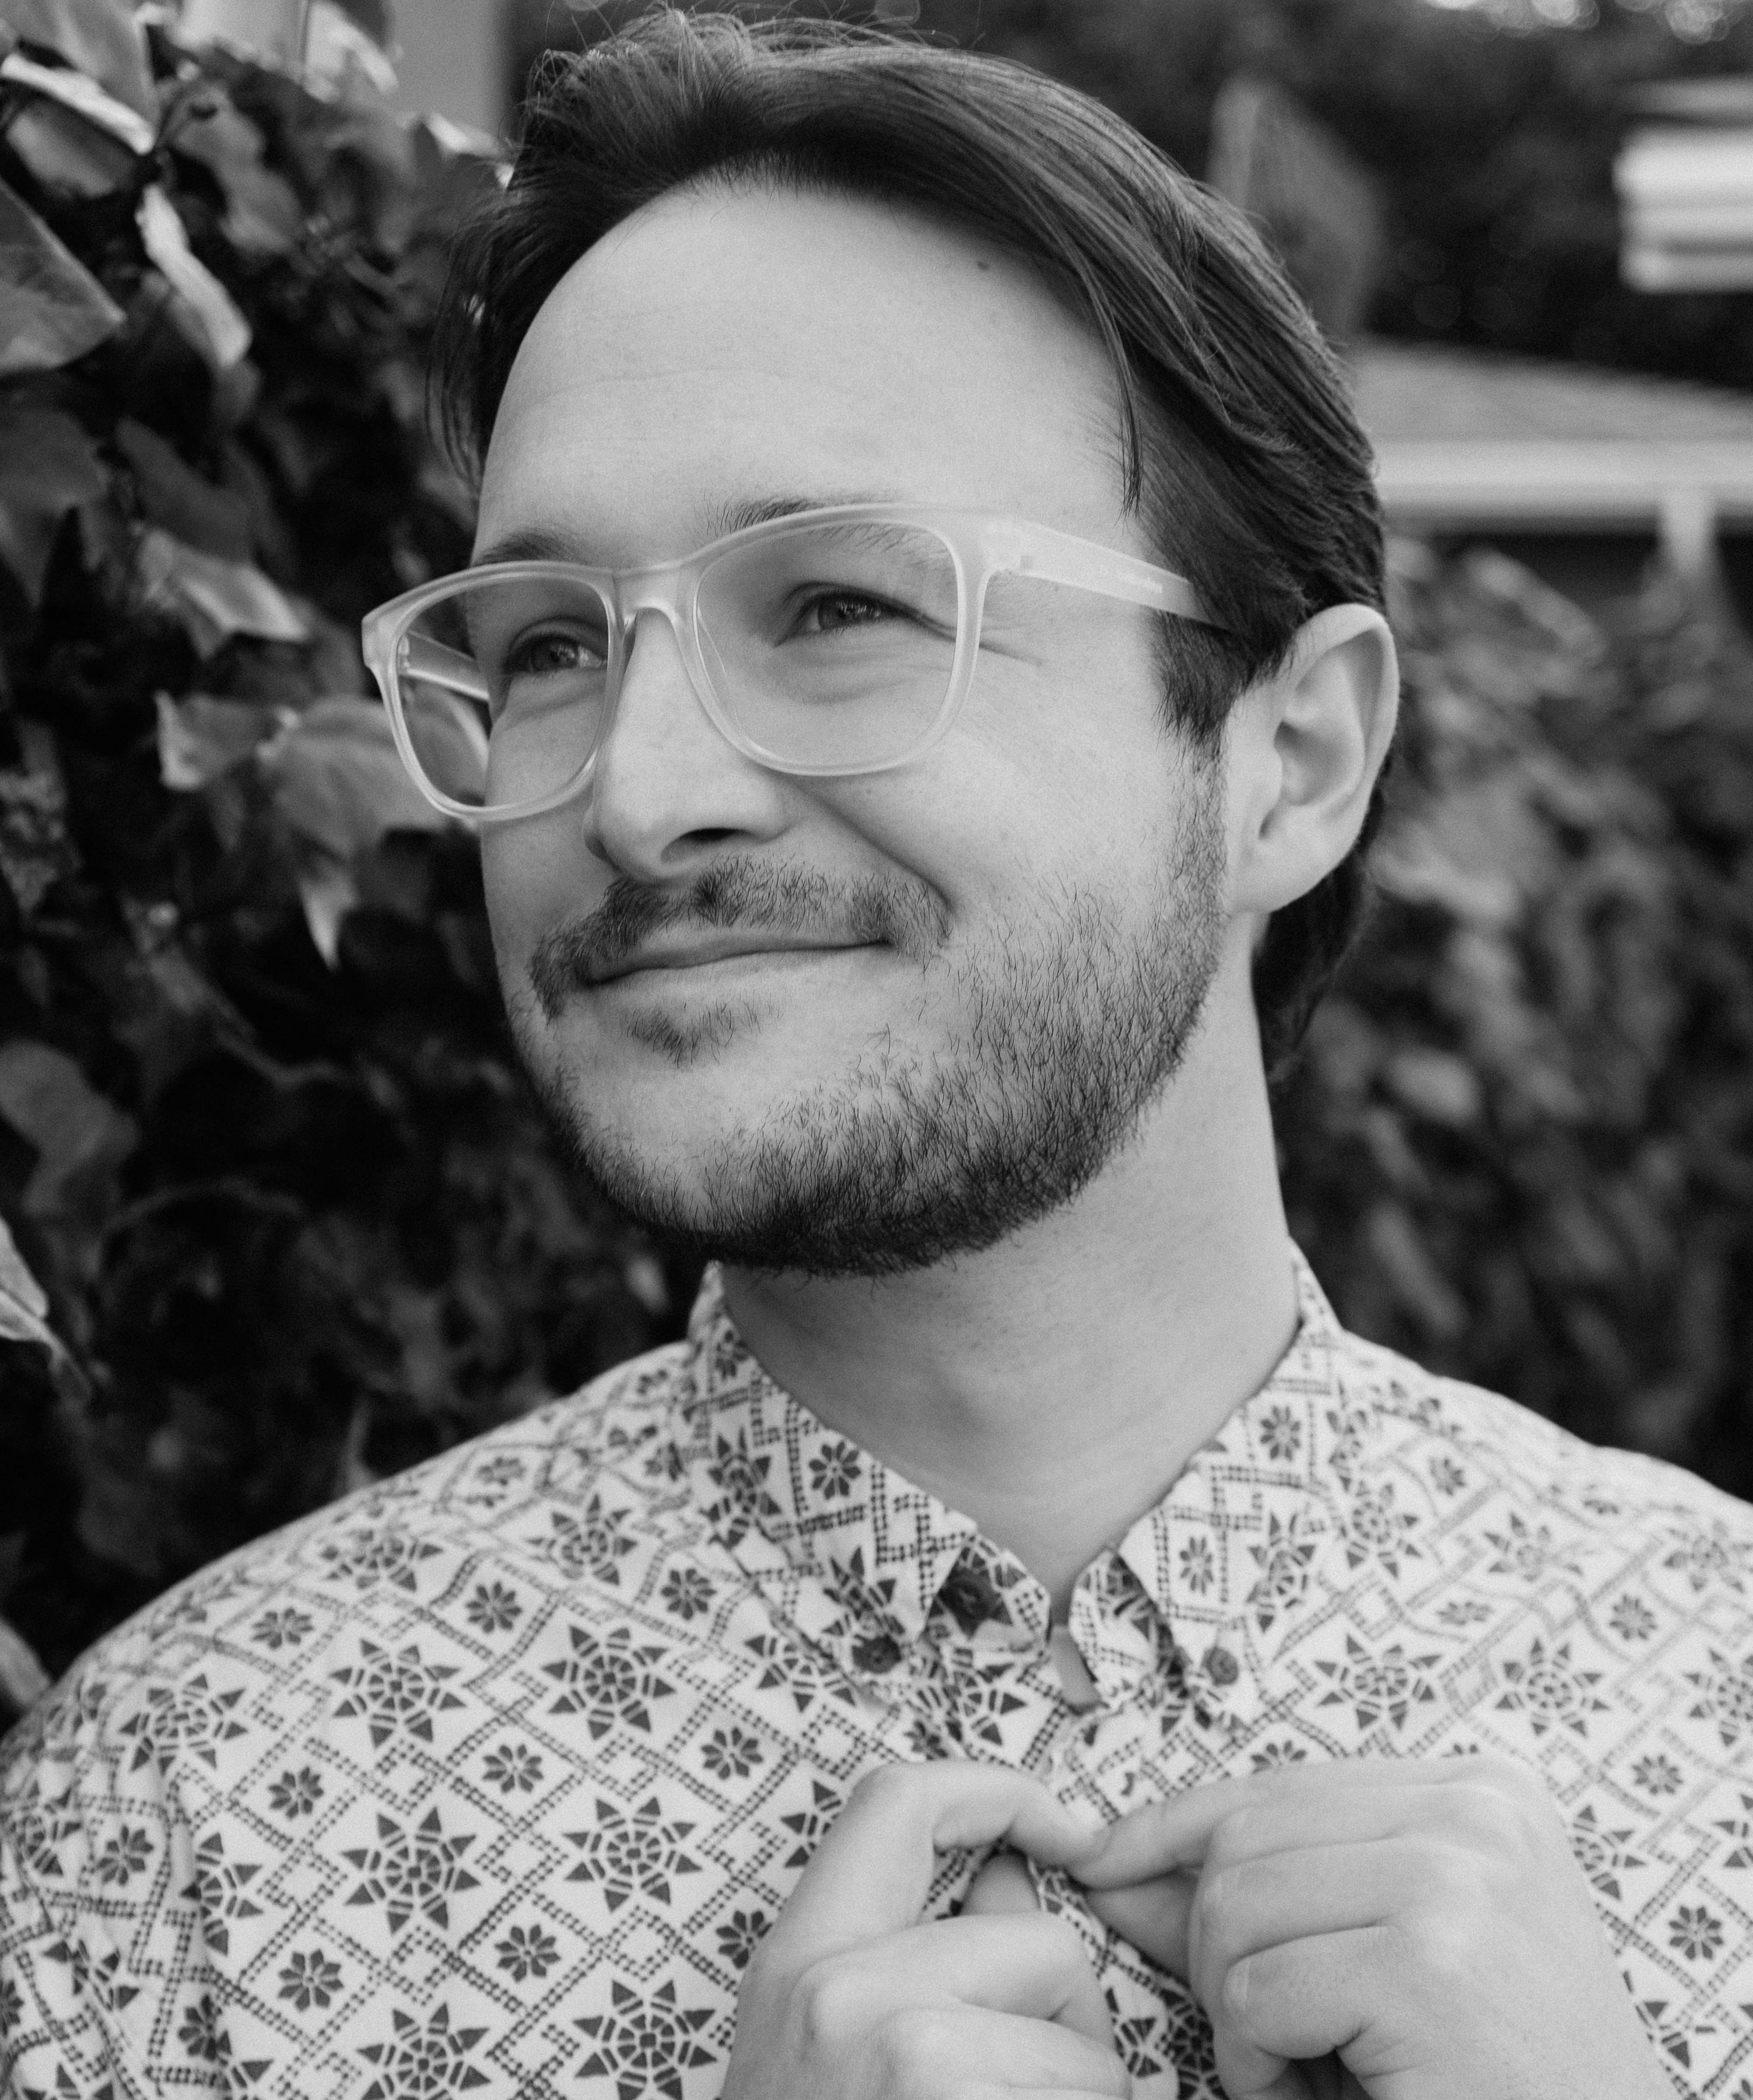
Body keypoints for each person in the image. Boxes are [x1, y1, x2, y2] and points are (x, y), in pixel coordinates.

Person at [0, 11, 1744, 2097]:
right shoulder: (168, 1846)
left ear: (1290, 756)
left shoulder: (1716, 1707)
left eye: (835, 605)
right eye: (546, 642)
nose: (637, 794)